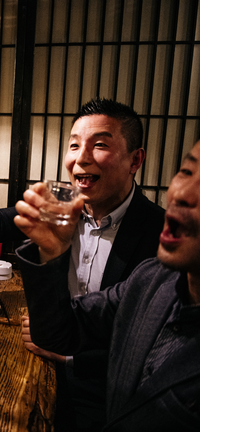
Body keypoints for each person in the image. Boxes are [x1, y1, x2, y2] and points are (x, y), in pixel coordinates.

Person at [0, 98, 165, 431]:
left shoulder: (160, 233)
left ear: (136, 159)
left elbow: (150, 342)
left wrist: (70, 356)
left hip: (107, 389)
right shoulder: (60, 208)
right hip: (37, 358)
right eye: (74, 145)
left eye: (100, 145)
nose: (81, 158)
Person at [15, 141, 200, 430]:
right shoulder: (152, 279)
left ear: (135, 161)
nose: (181, 194)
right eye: (187, 171)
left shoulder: (149, 227)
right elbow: (58, 333)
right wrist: (52, 252)